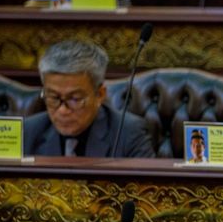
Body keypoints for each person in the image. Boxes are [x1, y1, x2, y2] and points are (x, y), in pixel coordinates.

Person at [23, 40, 155, 158]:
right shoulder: (28, 132)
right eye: (53, 97)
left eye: (74, 99)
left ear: (100, 95)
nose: (63, 110)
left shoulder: (129, 133)